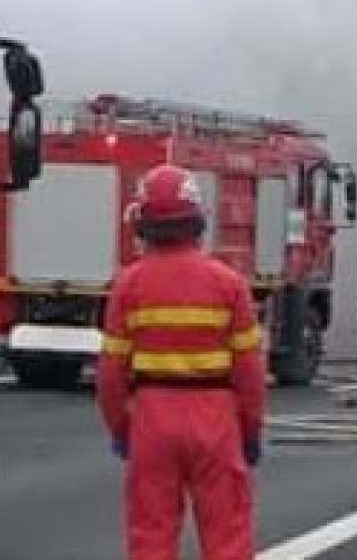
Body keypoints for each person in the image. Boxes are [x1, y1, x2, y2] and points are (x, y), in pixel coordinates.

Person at [97, 164, 266, 560]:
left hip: (152, 418)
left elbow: (110, 373)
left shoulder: (128, 285)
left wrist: (122, 428)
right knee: (227, 534)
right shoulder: (229, 284)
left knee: (151, 536)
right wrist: (250, 429)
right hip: (216, 417)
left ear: (143, 223)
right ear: (197, 221)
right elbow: (250, 372)